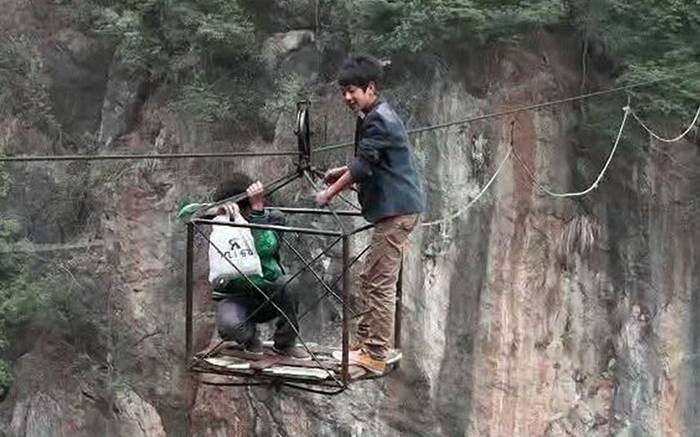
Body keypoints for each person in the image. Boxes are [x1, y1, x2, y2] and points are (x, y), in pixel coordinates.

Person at [316, 54, 425, 373]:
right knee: (370, 278)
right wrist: (340, 171)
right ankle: (365, 343)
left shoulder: (378, 118)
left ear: (370, 88)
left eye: (352, 90)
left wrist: (329, 193)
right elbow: (369, 160)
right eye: (343, 91)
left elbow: (364, 166)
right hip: (394, 210)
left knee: (378, 282)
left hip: (397, 212)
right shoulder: (372, 115)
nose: (347, 97)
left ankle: (375, 352)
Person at [209, 173, 310, 360]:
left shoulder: (270, 218)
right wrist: (217, 211)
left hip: (267, 292)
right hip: (236, 296)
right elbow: (186, 213)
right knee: (230, 326)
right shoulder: (223, 222)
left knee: (289, 284)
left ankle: (285, 343)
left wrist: (257, 212)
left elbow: (265, 248)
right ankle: (250, 339)